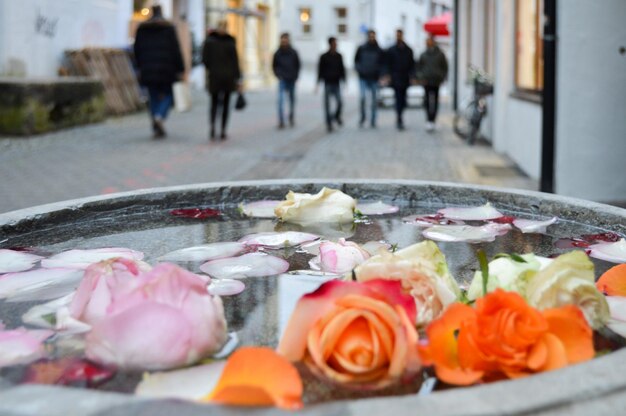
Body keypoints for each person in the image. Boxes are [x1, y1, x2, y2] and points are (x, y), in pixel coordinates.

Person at [133, 5, 184, 138]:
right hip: (166, 69)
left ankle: (156, 123)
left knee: (153, 96)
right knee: (168, 95)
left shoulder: (142, 29)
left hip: (148, 68)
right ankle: (159, 116)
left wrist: (139, 66)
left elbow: (136, 50)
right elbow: (176, 49)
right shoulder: (168, 28)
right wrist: (180, 68)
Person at [202, 20, 241, 140]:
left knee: (225, 105)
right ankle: (213, 127)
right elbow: (205, 59)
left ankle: (223, 129)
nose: (222, 29)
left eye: (224, 27)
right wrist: (212, 69)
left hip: (228, 78)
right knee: (214, 103)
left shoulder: (230, 41)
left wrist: (238, 78)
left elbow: (235, 61)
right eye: (221, 27)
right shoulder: (210, 41)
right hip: (215, 77)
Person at [383, 29, 415, 131]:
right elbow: (387, 64)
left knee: (403, 99)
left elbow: (412, 65)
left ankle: (400, 114)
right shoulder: (391, 50)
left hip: (405, 78)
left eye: (400, 35)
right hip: (395, 78)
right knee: (398, 98)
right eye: (397, 35)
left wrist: (412, 76)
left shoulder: (408, 50)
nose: (398, 37)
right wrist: (388, 75)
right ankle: (399, 117)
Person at [354, 30, 384, 128]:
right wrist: (360, 70)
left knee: (374, 100)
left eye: (373, 36)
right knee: (362, 98)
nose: (371, 38)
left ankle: (373, 120)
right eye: (370, 36)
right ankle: (363, 117)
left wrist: (380, 74)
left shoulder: (379, 50)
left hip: (374, 78)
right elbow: (356, 61)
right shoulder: (362, 48)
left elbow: (382, 64)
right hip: (363, 77)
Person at [418, 35, 449, 132]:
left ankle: (433, 119)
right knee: (427, 100)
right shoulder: (423, 54)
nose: (429, 43)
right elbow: (419, 67)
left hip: (436, 81)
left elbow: (445, 67)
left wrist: (442, 77)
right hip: (426, 81)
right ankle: (428, 119)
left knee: (435, 101)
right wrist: (421, 77)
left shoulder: (440, 54)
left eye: (430, 41)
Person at [317, 37, 346, 133]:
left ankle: (336, 116)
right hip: (328, 83)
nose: (335, 45)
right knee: (327, 105)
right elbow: (320, 70)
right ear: (330, 44)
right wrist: (318, 82)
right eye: (334, 43)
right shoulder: (324, 56)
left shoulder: (339, 56)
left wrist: (344, 79)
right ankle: (328, 123)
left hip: (336, 83)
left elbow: (342, 69)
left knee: (340, 102)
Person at [272, 33, 301, 129]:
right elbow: (274, 66)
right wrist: (278, 75)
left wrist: (296, 76)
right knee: (280, 101)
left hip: (291, 79)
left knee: (292, 100)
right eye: (282, 41)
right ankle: (281, 120)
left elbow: (298, 65)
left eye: (286, 40)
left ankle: (291, 116)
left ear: (288, 41)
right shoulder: (277, 53)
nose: (284, 42)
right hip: (282, 79)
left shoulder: (293, 52)